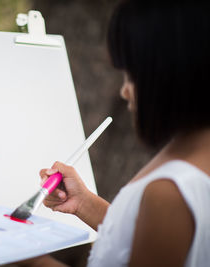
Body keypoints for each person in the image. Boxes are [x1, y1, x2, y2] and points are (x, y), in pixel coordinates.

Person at [25, 1, 210, 266]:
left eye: (132, 75)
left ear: (172, 74)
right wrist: (84, 203)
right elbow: (148, 235)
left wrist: (30, 260)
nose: (124, 90)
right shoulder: (191, 149)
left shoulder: (169, 191)